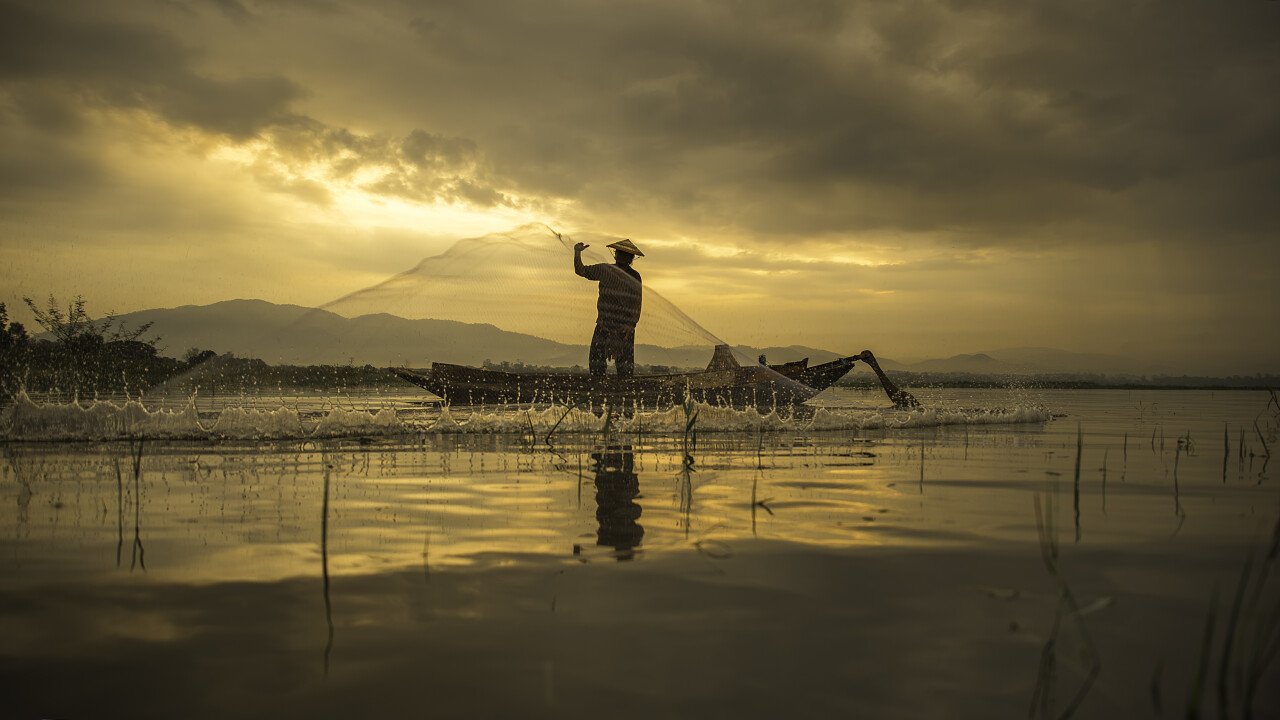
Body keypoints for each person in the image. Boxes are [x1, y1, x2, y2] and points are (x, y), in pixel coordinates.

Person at [574, 238, 643, 377]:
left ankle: (624, 392)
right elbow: (581, 271)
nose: (622, 257)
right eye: (620, 253)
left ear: (631, 258)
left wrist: (631, 324)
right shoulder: (605, 270)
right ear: (615, 254)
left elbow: (637, 302)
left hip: (624, 327)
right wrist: (577, 253)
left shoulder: (634, 276)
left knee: (625, 367)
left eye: (626, 255)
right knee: (596, 362)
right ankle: (599, 390)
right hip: (604, 323)